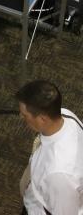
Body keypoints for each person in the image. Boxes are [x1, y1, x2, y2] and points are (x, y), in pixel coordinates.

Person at [17, 80, 83, 215]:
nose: (20, 116)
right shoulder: (65, 115)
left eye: (25, 115)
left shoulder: (57, 175)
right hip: (39, 192)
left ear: (42, 118)